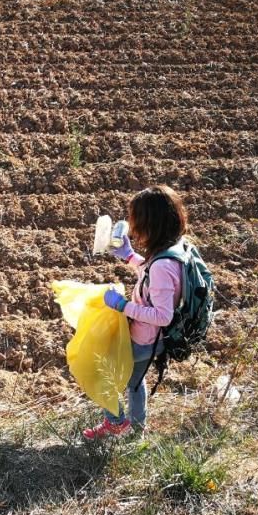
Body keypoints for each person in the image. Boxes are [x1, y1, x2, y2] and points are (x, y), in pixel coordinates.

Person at [82, 185, 188, 440]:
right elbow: (153, 276)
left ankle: (116, 422)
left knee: (98, 368)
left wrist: (122, 306)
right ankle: (137, 430)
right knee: (134, 381)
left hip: (143, 339)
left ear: (151, 224)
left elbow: (163, 315)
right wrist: (130, 256)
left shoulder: (163, 264)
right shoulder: (173, 250)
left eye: (136, 220)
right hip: (153, 340)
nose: (134, 227)